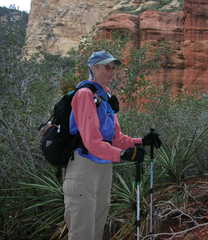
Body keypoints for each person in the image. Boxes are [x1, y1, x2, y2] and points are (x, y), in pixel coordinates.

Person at [63, 50, 161, 240]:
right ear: (94, 68)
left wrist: (141, 141)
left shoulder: (105, 98)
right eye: (107, 67)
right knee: (82, 232)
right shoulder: (84, 94)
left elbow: (115, 138)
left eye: (113, 67)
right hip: (83, 167)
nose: (111, 71)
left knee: (97, 228)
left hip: (103, 167)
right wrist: (123, 154)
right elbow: (92, 142)